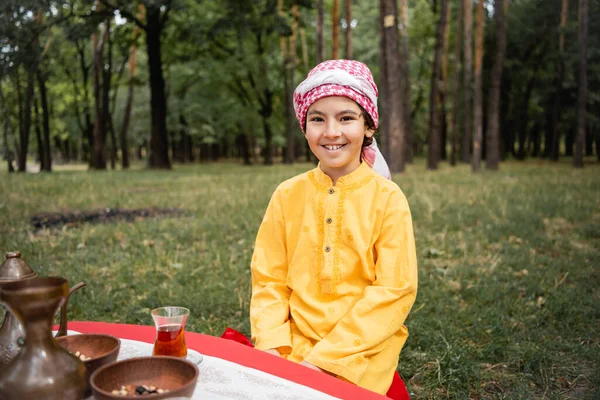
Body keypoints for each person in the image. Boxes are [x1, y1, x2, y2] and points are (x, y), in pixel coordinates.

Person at [249, 60, 418, 398]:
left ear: (368, 127)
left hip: (361, 350)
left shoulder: (388, 198)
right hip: (292, 343)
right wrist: (270, 346)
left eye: (346, 118)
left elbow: (394, 290)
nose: (331, 132)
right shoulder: (287, 194)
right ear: (304, 127)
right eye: (317, 119)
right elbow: (269, 279)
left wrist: (322, 363)